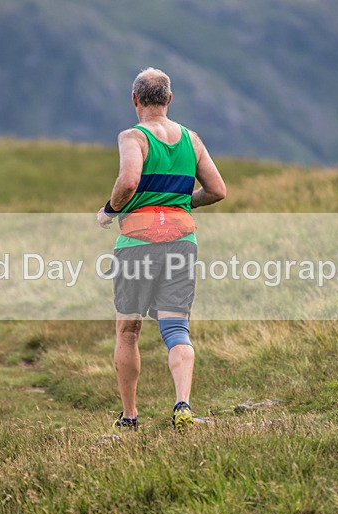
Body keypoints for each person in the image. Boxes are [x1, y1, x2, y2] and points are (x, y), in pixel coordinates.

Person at [97, 67, 227, 432]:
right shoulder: (192, 139)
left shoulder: (132, 137)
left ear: (135, 100)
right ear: (169, 99)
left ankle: (130, 417)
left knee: (128, 331)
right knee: (176, 329)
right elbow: (217, 190)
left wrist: (110, 210)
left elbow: (128, 181)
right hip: (182, 242)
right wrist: (185, 203)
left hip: (137, 242)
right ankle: (182, 404)